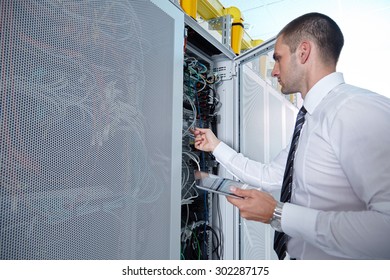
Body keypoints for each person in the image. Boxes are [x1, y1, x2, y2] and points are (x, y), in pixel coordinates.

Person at [192, 12, 390, 260]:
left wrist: (278, 214)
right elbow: (270, 175)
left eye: (278, 59)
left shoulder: (355, 109)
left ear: (304, 52)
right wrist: (216, 146)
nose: (274, 71)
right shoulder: (310, 119)